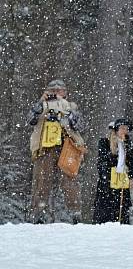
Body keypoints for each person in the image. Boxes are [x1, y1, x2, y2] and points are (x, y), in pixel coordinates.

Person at [27, 79, 87, 223]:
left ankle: (75, 214)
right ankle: (39, 213)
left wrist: (67, 116)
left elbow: (81, 126)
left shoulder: (71, 107)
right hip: (45, 148)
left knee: (69, 181)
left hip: (67, 147)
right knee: (42, 180)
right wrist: (40, 104)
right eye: (52, 91)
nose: (56, 93)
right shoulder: (41, 105)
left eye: (59, 91)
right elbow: (30, 120)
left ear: (65, 93)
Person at [94, 118, 133, 224]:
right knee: (107, 207)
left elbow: (131, 162)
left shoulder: (128, 144)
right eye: (122, 128)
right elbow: (102, 161)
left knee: (121, 207)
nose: (124, 131)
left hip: (122, 180)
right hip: (109, 181)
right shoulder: (105, 142)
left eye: (126, 129)